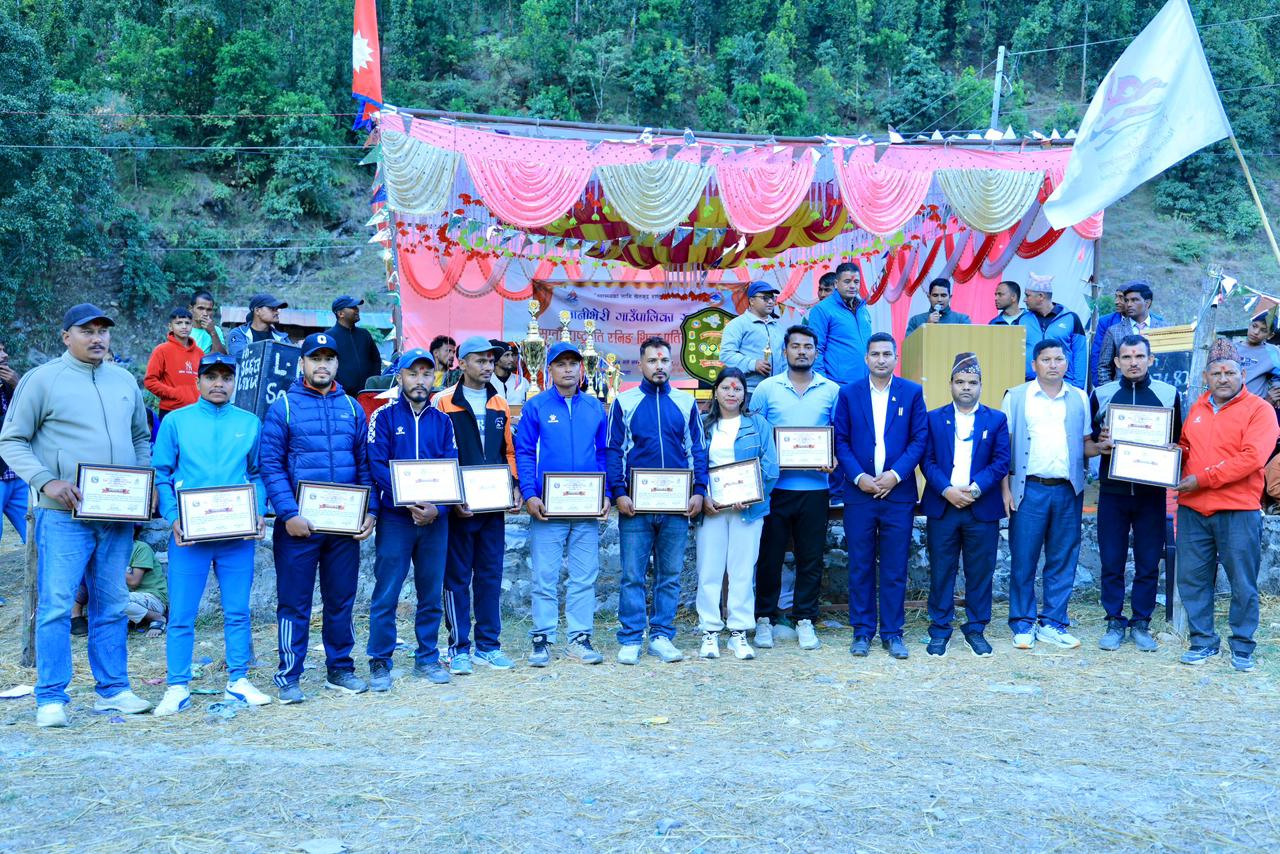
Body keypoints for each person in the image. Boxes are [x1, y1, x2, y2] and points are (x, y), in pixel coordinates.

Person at [0, 303, 153, 727]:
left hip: (117, 516)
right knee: (56, 605)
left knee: (113, 603)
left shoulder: (123, 381)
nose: (97, 338)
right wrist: (46, 481)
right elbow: (11, 440)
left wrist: (143, 483)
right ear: (66, 336)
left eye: (103, 330)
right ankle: (51, 698)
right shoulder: (41, 379)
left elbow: (141, 438)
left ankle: (113, 691)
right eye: (87, 330)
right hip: (61, 515)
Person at [259, 332, 377, 703]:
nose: (322, 365)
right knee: (294, 603)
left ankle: (340, 669)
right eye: (315, 358)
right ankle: (288, 675)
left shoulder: (352, 408)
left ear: (337, 364)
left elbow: (364, 463)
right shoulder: (284, 407)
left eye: (328, 358)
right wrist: (288, 513)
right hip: (299, 527)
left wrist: (370, 510)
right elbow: (270, 464)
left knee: (341, 600)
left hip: (343, 527)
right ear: (303, 363)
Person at [151, 353, 271, 716]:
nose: (219, 383)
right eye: (211, 377)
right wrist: (173, 516)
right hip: (190, 535)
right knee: (181, 614)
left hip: (236, 536)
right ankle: (176, 686)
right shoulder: (176, 421)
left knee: (238, 611)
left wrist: (258, 511)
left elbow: (256, 473)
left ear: (234, 382)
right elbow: (161, 473)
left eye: (226, 377)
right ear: (198, 381)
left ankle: (238, 680)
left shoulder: (249, 422)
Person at [1174, 339, 1280, 671]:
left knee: (1242, 582)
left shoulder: (1260, 410)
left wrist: (1203, 479)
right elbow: (1186, 447)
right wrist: (1166, 456)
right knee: (1192, 579)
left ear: (1242, 375)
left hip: (1237, 510)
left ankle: (1243, 646)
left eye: (1230, 372)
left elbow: (1252, 459)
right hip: (1193, 509)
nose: (1223, 378)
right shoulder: (1198, 407)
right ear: (1205, 376)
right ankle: (1203, 641)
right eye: (1216, 373)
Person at [607, 336, 708, 665]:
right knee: (632, 575)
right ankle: (631, 637)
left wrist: (699, 490)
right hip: (635, 507)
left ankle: (662, 636)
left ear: (671, 363)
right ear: (641, 365)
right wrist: (619, 492)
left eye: (664, 360)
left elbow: (697, 450)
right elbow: (614, 450)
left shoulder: (685, 403)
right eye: (652, 361)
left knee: (670, 575)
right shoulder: (625, 402)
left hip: (676, 507)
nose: (659, 366)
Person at [366, 348, 458, 689]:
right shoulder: (384, 417)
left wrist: (439, 509)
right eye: (412, 373)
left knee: (430, 593)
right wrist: (408, 503)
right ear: (400, 376)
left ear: (434, 377)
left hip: (435, 521)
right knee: (387, 592)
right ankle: (380, 660)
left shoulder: (443, 421)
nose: (420, 380)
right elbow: (377, 466)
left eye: (426, 374)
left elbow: (451, 468)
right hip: (396, 520)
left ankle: (428, 657)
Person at [516, 341, 610, 667]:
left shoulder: (595, 407)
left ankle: (579, 638)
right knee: (545, 576)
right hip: (548, 508)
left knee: (584, 576)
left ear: (581, 368)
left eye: (573, 363)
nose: (568, 369)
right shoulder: (536, 406)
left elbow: (603, 454)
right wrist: (530, 494)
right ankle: (542, 638)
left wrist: (606, 493)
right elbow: (525, 452)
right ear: (550, 369)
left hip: (585, 509)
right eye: (561, 364)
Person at [1086, 334, 1182, 652]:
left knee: (1148, 561)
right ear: (1117, 362)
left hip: (1151, 493)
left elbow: (1178, 440)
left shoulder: (1168, 394)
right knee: (1112, 560)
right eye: (1126, 357)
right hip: (1112, 491)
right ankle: (1114, 620)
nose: (1133, 362)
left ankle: (1141, 622)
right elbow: (1090, 442)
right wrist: (1102, 444)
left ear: (1151, 359)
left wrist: (1170, 451)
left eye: (1139, 356)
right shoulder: (1102, 394)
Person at [834, 333, 928, 659]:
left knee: (894, 567)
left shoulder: (911, 393)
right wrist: (859, 477)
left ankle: (892, 633)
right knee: (860, 565)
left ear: (895, 358)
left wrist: (896, 474)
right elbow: (841, 440)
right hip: (860, 494)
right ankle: (862, 632)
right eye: (875, 354)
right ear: (866, 359)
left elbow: (919, 439)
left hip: (897, 495)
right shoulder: (849, 394)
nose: (881, 359)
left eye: (887, 354)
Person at [433, 336, 519, 674]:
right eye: (480, 360)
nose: (487, 366)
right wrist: (452, 497)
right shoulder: (443, 402)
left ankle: (488, 646)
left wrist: (513, 486)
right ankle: (458, 648)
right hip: (460, 508)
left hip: (493, 507)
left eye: (490, 361)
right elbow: (438, 454)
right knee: (456, 577)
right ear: (462, 363)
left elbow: (507, 451)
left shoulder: (499, 402)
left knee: (490, 575)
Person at [750, 325, 839, 650]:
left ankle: (805, 619)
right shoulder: (766, 389)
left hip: (815, 489)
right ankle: (764, 619)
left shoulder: (831, 390)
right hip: (774, 490)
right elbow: (754, 433)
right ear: (785, 351)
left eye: (808, 347)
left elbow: (839, 434)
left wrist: (833, 458)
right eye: (796, 346)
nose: (802, 351)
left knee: (810, 558)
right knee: (769, 557)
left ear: (816, 352)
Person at [1001, 338, 1091, 651]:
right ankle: (1023, 623)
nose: (1053, 365)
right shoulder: (1016, 397)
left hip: (1068, 490)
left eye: (1059, 359)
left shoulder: (1079, 397)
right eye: (1046, 359)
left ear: (1067, 363)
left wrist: (1111, 446)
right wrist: (1005, 491)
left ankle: (1053, 622)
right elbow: (1003, 448)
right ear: (1034, 364)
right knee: (1023, 558)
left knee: (1063, 558)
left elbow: (1086, 444)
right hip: (1029, 489)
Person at [920, 353, 1010, 657]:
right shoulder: (933, 418)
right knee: (941, 570)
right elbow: (926, 460)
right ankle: (939, 628)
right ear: (950, 385)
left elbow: (1001, 462)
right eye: (960, 382)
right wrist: (947, 490)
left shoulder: (996, 419)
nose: (966, 387)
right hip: (943, 506)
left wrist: (974, 489)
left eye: (972, 382)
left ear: (981, 385)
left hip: (980, 507)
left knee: (980, 571)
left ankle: (976, 628)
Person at [695, 367, 778, 661]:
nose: (732, 393)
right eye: (726, 388)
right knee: (709, 569)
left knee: (742, 570)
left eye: (738, 389)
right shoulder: (702, 424)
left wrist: (750, 494)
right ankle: (709, 630)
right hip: (712, 509)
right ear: (716, 391)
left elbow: (771, 467)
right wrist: (702, 495)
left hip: (748, 510)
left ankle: (739, 632)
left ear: (745, 394)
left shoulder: (758, 425)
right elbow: (693, 462)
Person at [806, 261, 872, 386]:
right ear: (836, 284)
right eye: (847, 281)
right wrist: (823, 385)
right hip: (837, 385)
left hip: (865, 383)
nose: (852, 286)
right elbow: (815, 349)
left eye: (856, 282)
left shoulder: (862, 310)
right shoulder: (822, 310)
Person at [719, 281, 787, 395]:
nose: (771, 301)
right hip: (749, 391)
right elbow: (726, 355)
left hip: (777, 391)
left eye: (772, 298)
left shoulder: (778, 327)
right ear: (751, 301)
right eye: (765, 298)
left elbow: (784, 358)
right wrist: (752, 364)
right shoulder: (738, 324)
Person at [1022, 275, 1088, 389]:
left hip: (1064, 384)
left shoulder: (1071, 318)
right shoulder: (1022, 320)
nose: (1024, 300)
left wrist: (1077, 388)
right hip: (1029, 385)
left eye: (1028, 295)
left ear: (1041, 296)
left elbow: (1080, 354)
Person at [1096, 282, 1165, 386]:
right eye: (1127, 300)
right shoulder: (1113, 331)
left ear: (1147, 303)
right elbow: (1104, 367)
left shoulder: (1164, 328)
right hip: (1122, 390)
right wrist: (1111, 392)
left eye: (1134, 300)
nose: (1129, 304)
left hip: (1157, 390)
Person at [144, 307, 204, 419]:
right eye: (179, 323)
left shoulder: (199, 353)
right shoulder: (161, 350)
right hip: (170, 410)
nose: (184, 326)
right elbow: (150, 381)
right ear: (170, 326)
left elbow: (204, 381)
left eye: (187, 323)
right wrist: (174, 393)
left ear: (192, 326)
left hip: (196, 410)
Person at [0, 339, 28, 550]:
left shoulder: (9, 386)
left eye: (3, 349)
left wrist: (18, 385)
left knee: (37, 533)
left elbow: (32, 414)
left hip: (17, 473)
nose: (4, 355)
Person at [325, 295, 383, 396]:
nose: (357, 310)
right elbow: (326, 365)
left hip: (367, 395)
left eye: (356, 307)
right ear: (340, 314)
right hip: (341, 395)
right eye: (353, 307)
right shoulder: (329, 337)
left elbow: (376, 360)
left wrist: (373, 384)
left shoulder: (364, 334)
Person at [1237, 312, 1280, 421]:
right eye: (1254, 326)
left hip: (1255, 409)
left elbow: (1278, 375)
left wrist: (1274, 393)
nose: (1256, 332)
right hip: (1229, 405)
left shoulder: (1272, 352)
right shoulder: (1232, 348)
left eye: (1263, 330)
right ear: (1249, 325)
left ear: (1270, 335)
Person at [1088, 285, 1130, 389]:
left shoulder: (1154, 322)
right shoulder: (1106, 322)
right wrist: (1102, 387)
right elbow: (1097, 355)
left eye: (1121, 297)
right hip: (1114, 384)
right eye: (1116, 297)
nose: (1116, 301)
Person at [227, 293, 290, 361]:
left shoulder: (282, 338)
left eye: (276, 309)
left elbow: (291, 358)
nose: (277, 312)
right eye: (272, 308)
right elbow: (239, 356)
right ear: (257, 311)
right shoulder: (239, 334)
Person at [905, 279, 972, 337]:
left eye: (943, 295)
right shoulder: (915, 321)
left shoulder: (962, 320)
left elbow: (969, 343)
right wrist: (926, 326)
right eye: (935, 295)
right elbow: (909, 345)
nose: (939, 299)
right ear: (929, 297)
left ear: (950, 297)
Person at [490, 340, 529, 406]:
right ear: (495, 359)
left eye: (512, 355)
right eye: (507, 355)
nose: (511, 359)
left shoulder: (522, 381)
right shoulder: (486, 381)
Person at [189, 290, 227, 355]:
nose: (205, 313)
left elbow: (221, 355)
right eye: (200, 308)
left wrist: (212, 332)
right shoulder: (183, 329)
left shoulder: (216, 330)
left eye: (209, 310)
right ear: (191, 309)